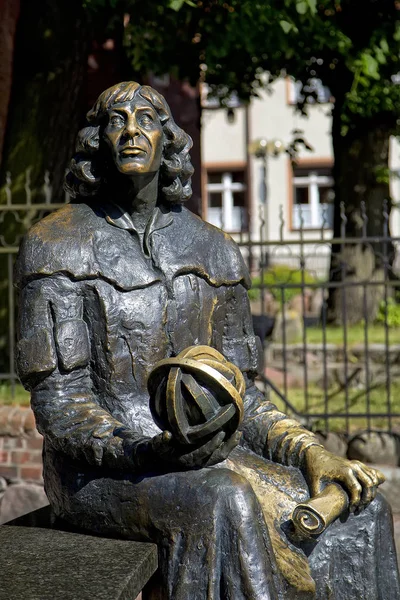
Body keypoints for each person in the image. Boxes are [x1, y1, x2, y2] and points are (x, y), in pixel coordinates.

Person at [15, 81, 399, 600]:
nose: (131, 131)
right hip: (96, 472)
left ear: (168, 140)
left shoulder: (214, 249)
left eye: (147, 119)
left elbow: (241, 398)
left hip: (206, 455)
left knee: (364, 506)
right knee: (224, 499)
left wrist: (311, 452)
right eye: (115, 121)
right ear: (96, 142)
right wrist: (150, 450)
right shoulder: (54, 245)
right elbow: (63, 406)